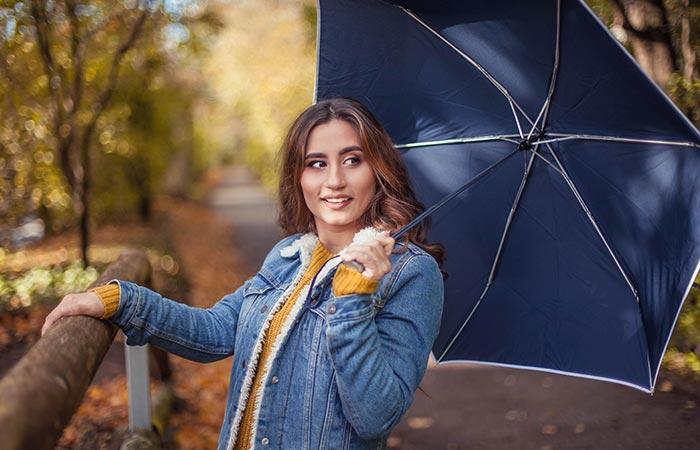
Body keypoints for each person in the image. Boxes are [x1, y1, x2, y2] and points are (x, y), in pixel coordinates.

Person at [41, 97, 445, 450]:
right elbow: (216, 329)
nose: (334, 180)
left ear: (378, 169)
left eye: (352, 160)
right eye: (316, 163)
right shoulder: (289, 256)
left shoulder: (410, 274)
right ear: (298, 177)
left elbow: (376, 417)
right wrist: (121, 300)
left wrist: (354, 299)